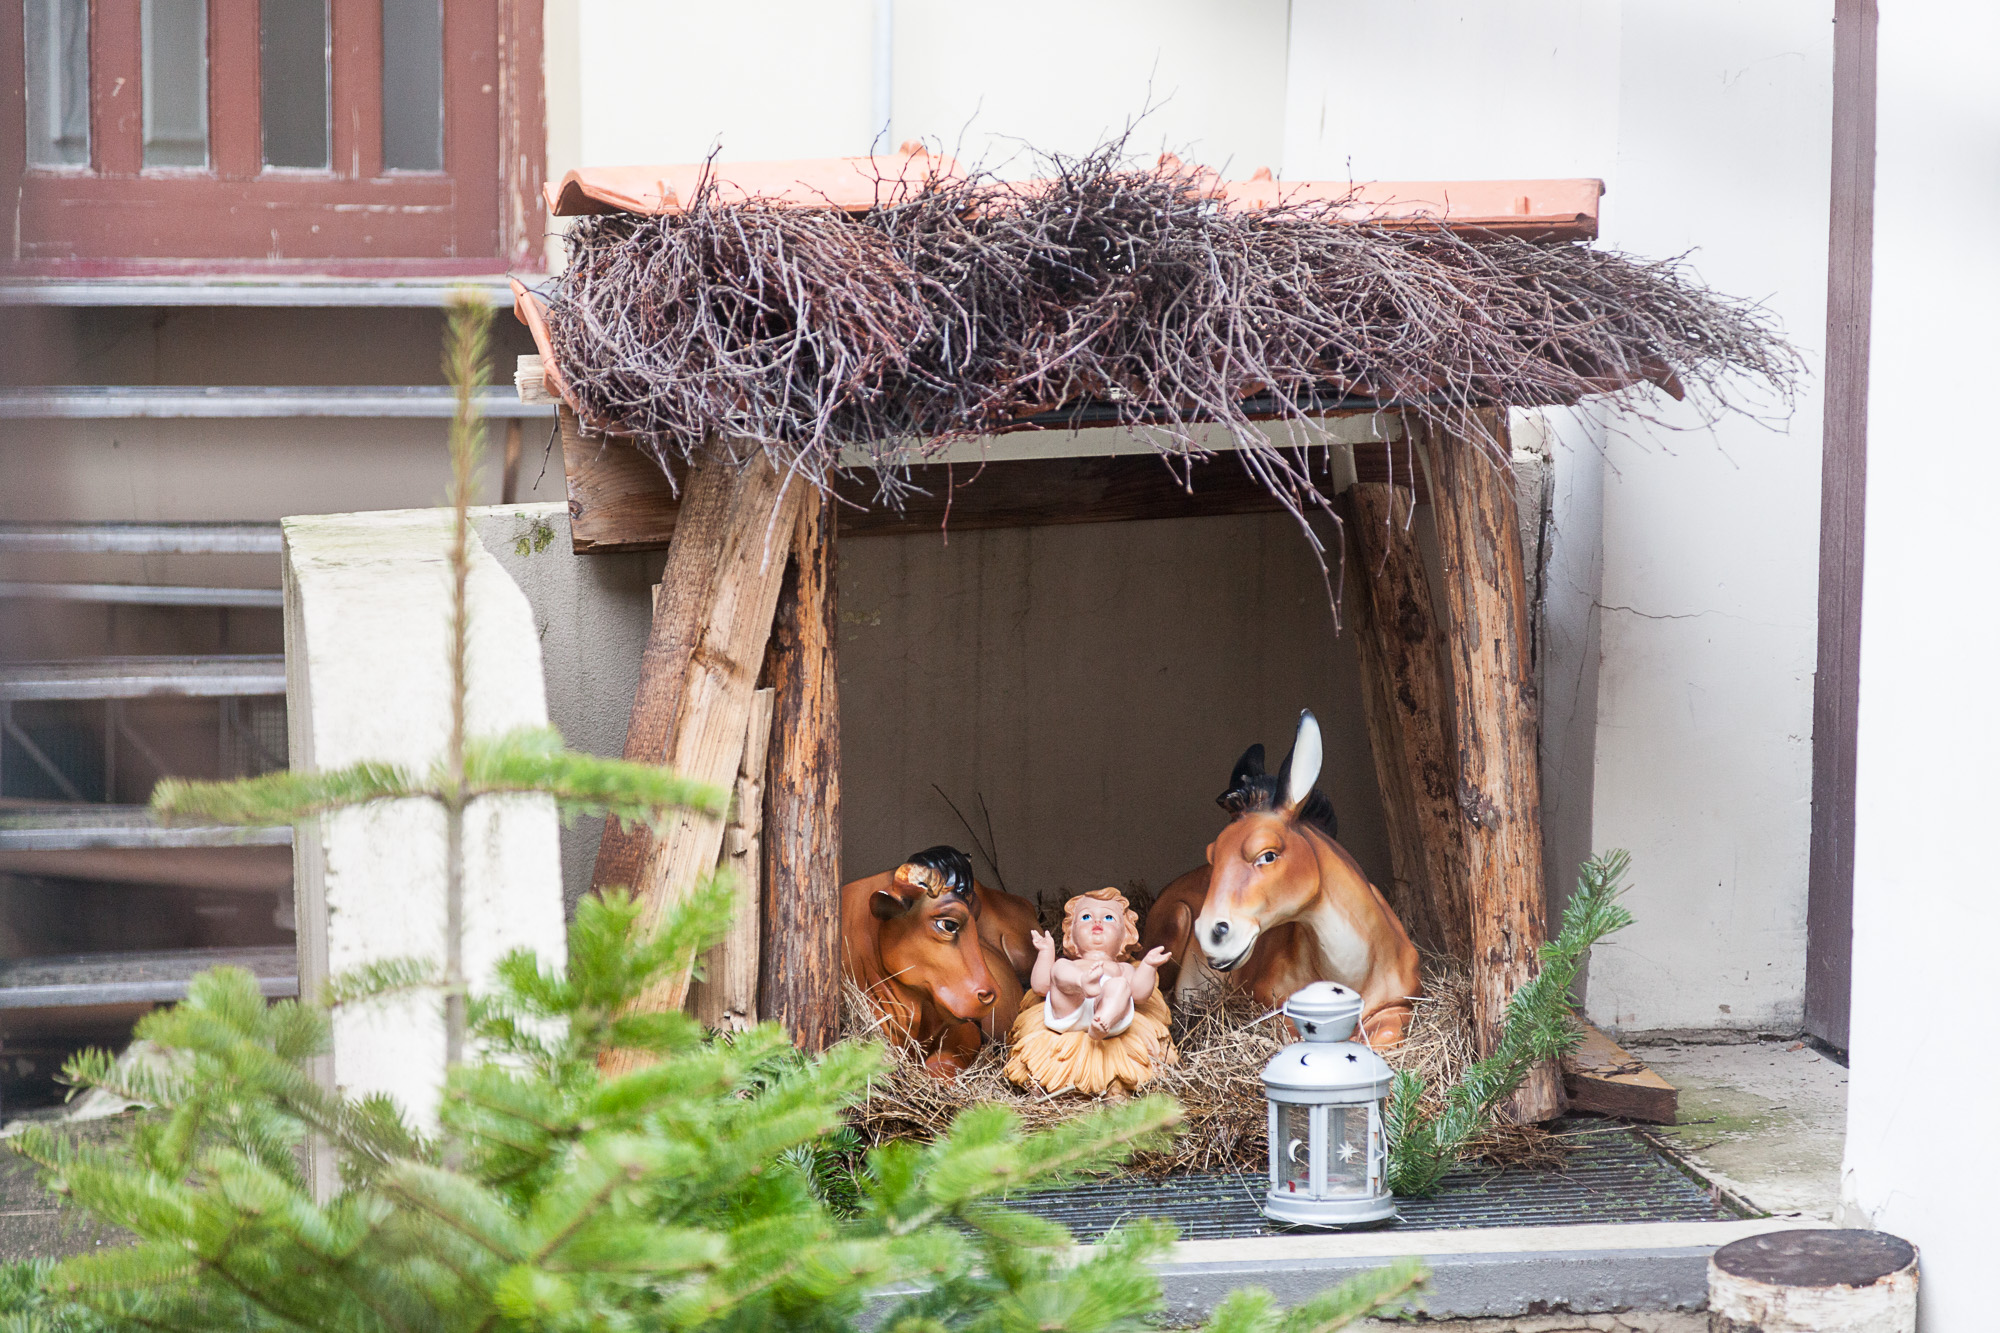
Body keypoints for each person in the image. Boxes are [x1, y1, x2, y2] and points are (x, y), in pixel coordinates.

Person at [1004, 887, 1179, 1097]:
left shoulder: (1123, 969)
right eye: (1086, 917)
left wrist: (1149, 965)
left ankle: (1103, 1019)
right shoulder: (1069, 964)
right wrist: (1046, 952)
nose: (1097, 923)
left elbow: (1140, 994)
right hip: (1070, 1009)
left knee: (1120, 985)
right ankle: (1083, 983)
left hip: (1108, 1017)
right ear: (1071, 934)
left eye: (1108, 917)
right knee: (1059, 969)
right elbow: (1041, 987)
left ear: (1125, 935)